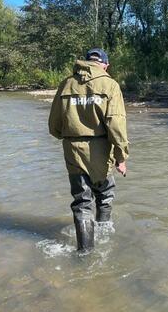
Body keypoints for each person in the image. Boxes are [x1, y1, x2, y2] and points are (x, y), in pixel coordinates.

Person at [48, 48, 129, 252]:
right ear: (105, 65)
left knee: (82, 201)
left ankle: (85, 252)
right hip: (101, 149)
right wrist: (121, 157)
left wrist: (68, 137)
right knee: (105, 194)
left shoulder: (67, 84)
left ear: (85, 63)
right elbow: (116, 125)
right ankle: (104, 236)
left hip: (72, 149)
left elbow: (54, 126)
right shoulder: (110, 85)